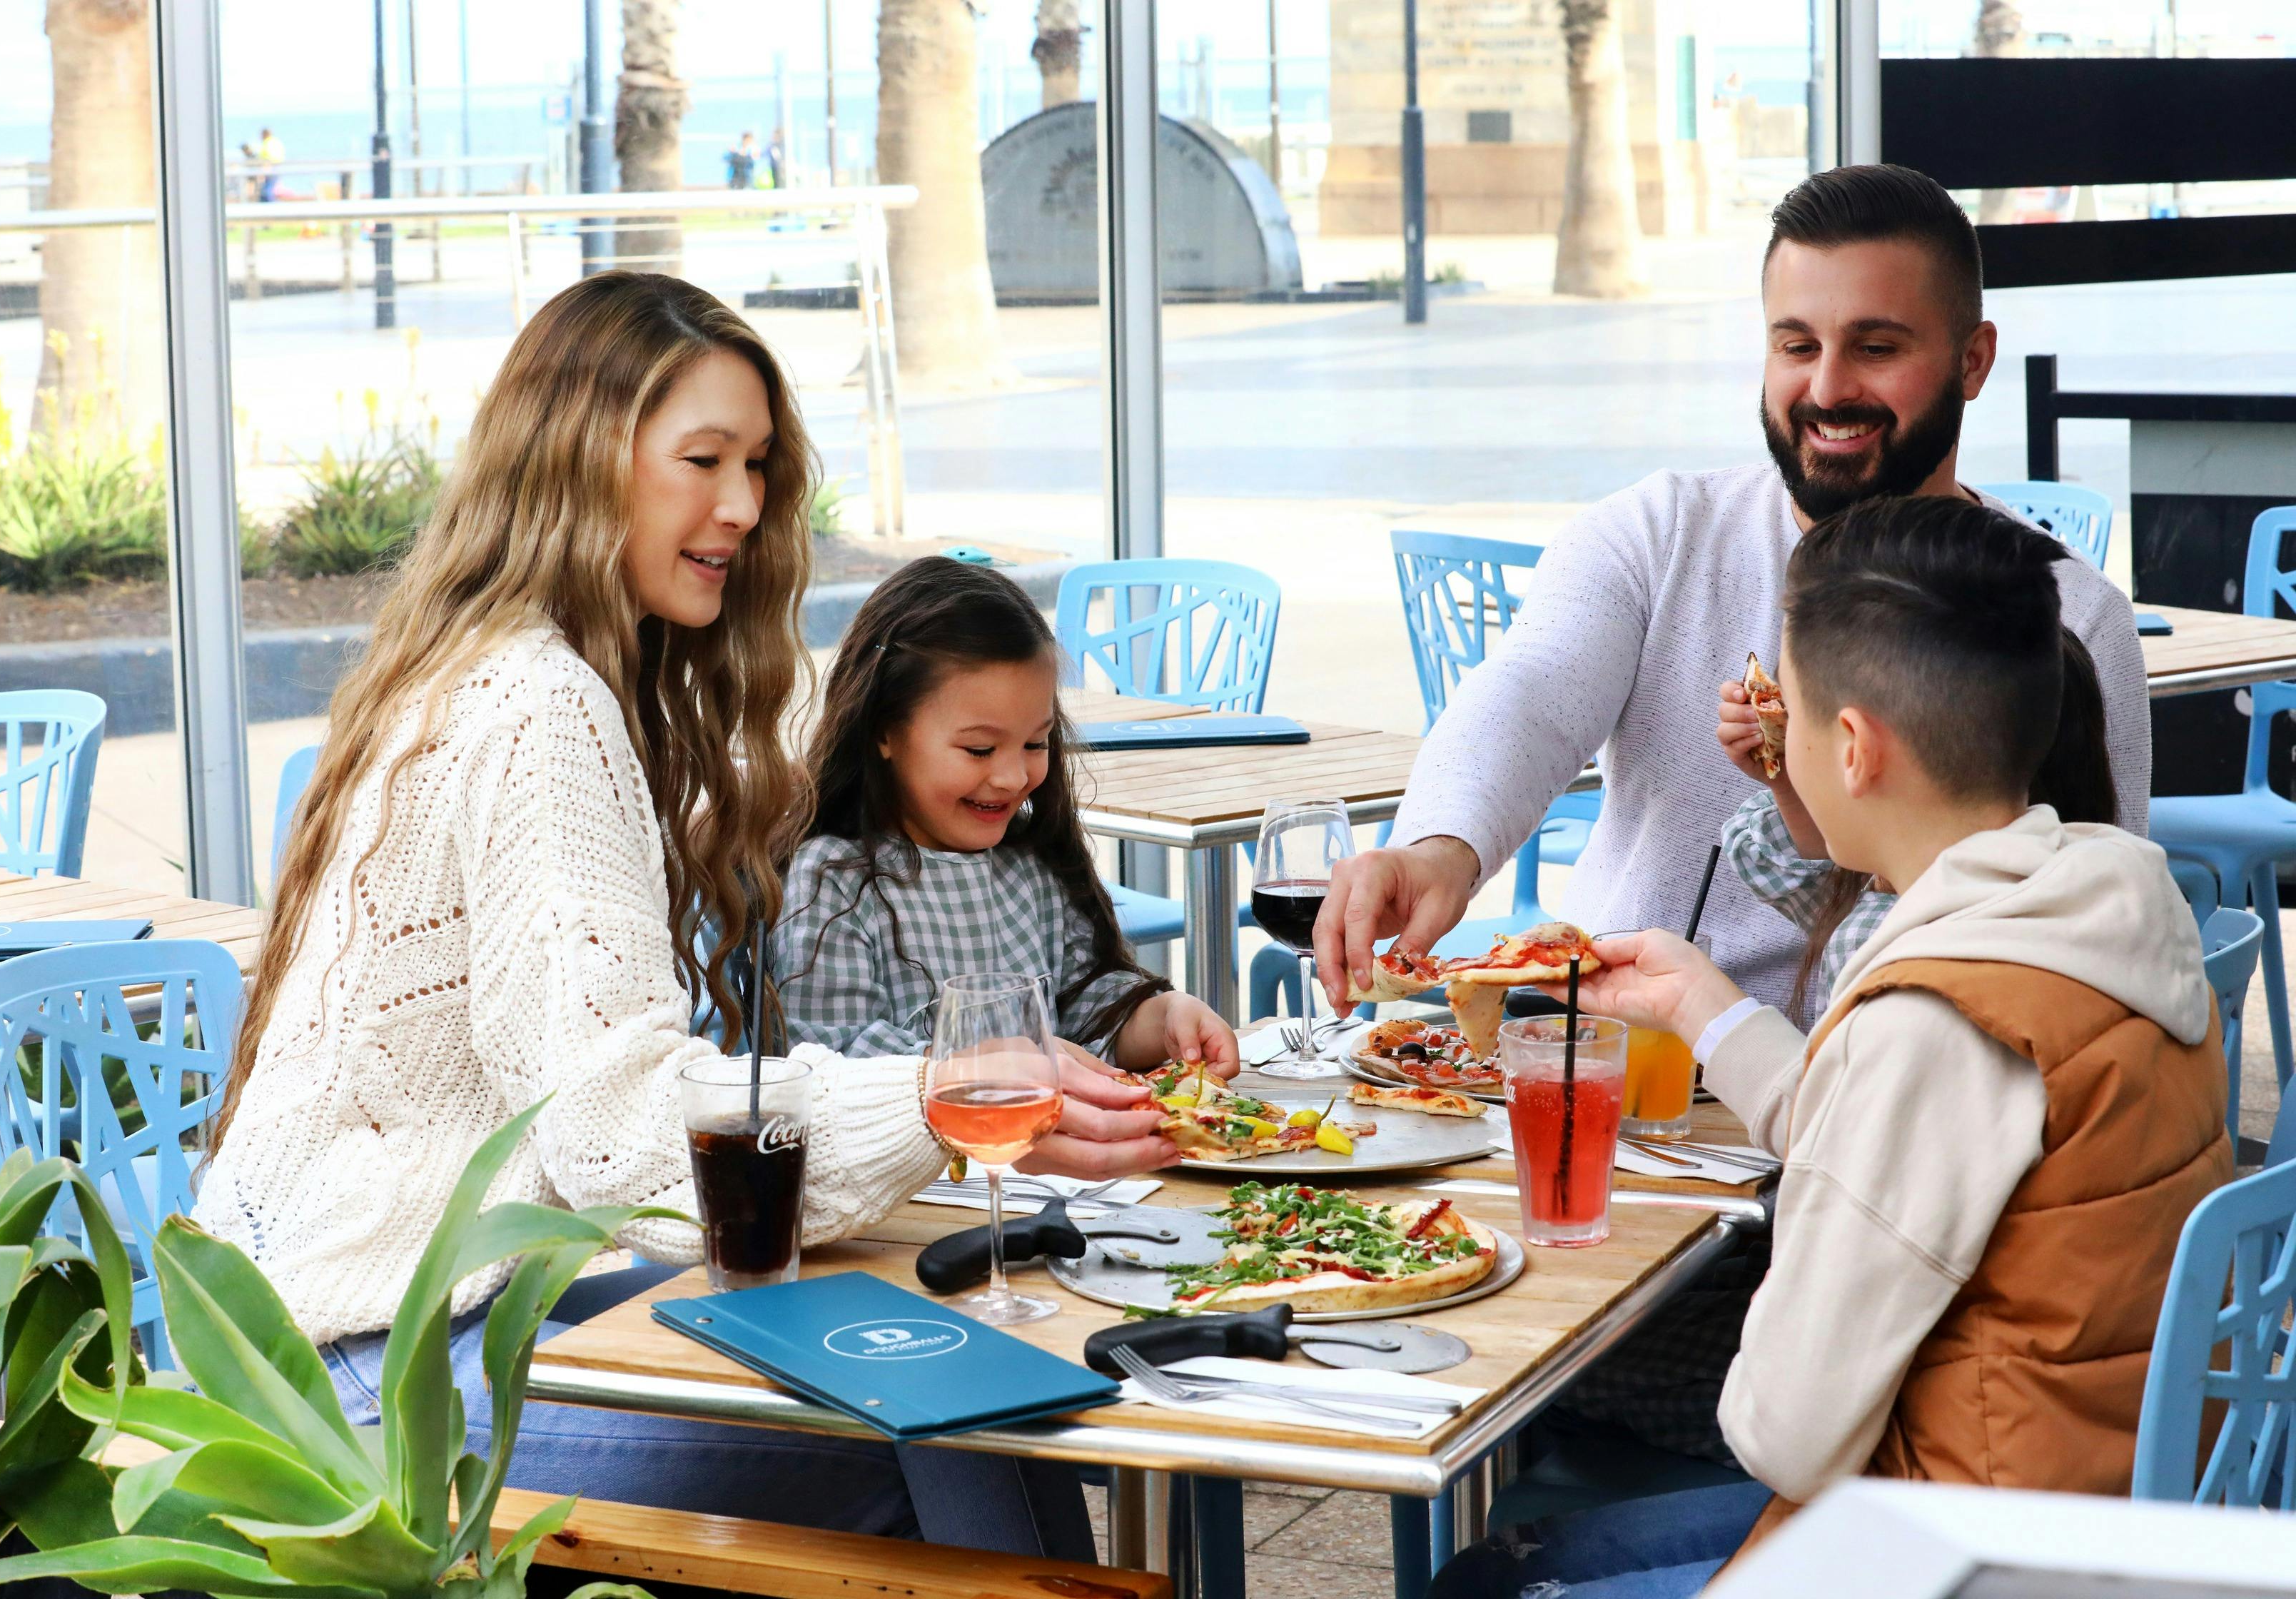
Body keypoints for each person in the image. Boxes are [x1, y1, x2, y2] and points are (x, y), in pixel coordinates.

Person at [193, 273, 1170, 1558]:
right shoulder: (540, 704)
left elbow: (592, 1129)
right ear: (579, 460)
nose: (743, 506)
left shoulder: (478, 666)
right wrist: (941, 1100)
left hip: (345, 1330)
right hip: (364, 1383)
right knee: (947, 1424)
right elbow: (622, 1139)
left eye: (757, 463)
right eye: (700, 459)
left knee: (957, 1391)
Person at [1431, 496, 2229, 1599]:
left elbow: (1786, 1434)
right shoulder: (2097, 910)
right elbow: (1926, 1147)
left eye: (1793, 720)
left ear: (1851, 749)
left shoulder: (1938, 1014)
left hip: (1968, 1553)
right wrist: (1704, 1007)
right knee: (1526, 1557)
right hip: (2093, 1501)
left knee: (1495, 1582)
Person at [1318, 163, 2150, 1029]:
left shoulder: (2068, 612)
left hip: (1883, 1094)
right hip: (1609, 1058)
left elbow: (2097, 923)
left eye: (1877, 347)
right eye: (1797, 346)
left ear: (1972, 361)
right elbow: (1530, 691)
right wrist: (1438, 848)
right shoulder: (1660, 529)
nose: (1828, 389)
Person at [774, 556, 1240, 1076]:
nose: (1013, 777)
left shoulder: (1031, 865)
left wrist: (1164, 1019)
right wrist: (996, 1067)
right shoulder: (835, 883)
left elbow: (1089, 1011)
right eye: (979, 749)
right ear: (884, 731)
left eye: (1036, 743)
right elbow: (829, 1061)